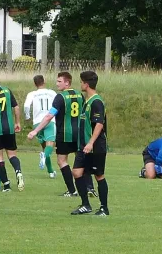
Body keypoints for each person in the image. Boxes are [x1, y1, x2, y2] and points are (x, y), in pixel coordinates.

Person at [28, 72, 96, 197]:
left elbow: (49, 116)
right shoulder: (79, 95)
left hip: (65, 134)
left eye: (59, 81)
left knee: (61, 160)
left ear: (67, 82)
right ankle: (89, 188)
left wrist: (35, 131)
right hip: (79, 134)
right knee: (82, 160)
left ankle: (72, 190)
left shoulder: (60, 97)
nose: (57, 83)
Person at [70, 71, 109, 216]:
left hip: (94, 147)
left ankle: (104, 208)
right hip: (84, 146)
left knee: (99, 175)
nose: (80, 84)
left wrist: (91, 143)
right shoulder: (87, 101)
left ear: (86, 84)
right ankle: (85, 204)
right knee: (77, 172)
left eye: (81, 82)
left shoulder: (96, 102)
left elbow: (99, 124)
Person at [24, 75, 57, 178]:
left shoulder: (32, 94)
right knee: (50, 145)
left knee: (44, 147)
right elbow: (58, 105)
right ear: (44, 81)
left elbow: (26, 106)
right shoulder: (52, 92)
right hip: (50, 120)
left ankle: (51, 171)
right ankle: (44, 157)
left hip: (37, 122)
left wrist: (27, 116)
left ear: (35, 84)